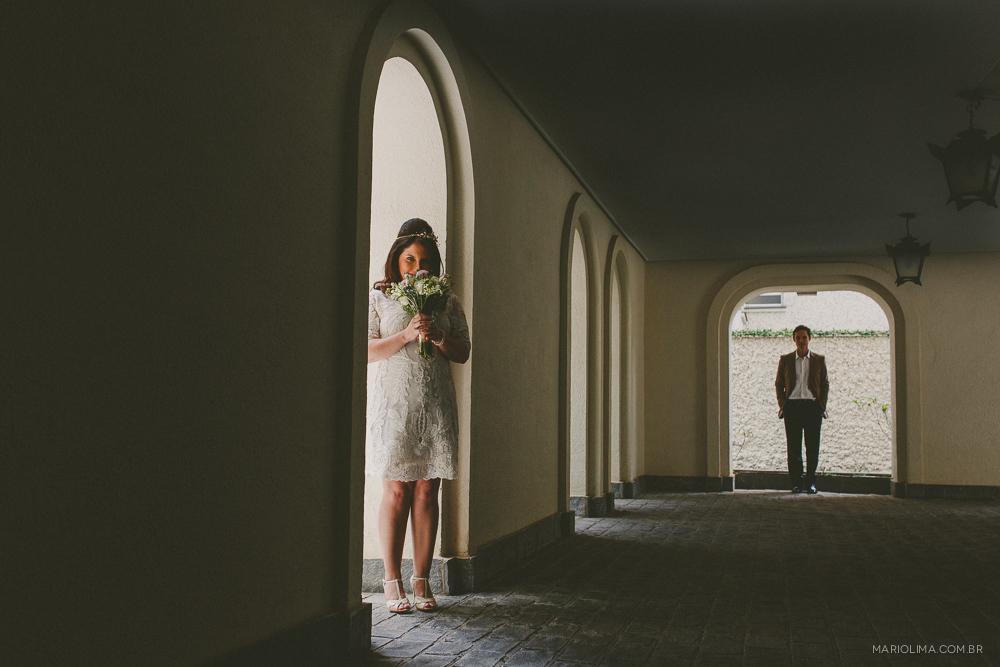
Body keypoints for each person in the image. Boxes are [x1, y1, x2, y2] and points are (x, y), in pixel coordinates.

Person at [366, 218, 470, 613]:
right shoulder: (379, 298)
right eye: (409, 259)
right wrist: (407, 335)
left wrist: (439, 337)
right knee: (396, 491)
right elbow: (367, 350)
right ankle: (391, 581)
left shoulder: (447, 301)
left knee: (428, 490)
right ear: (396, 259)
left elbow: (463, 351)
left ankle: (422, 579)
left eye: (424, 260)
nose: (416, 267)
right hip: (395, 406)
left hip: (436, 403)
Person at [775, 325, 829, 495]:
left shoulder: (819, 360)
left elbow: (825, 384)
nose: (801, 341)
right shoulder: (786, 360)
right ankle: (796, 483)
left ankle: (811, 483)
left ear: (809, 338)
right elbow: (779, 384)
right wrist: (783, 404)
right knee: (794, 448)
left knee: (812, 447)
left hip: (812, 407)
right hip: (793, 407)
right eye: (798, 338)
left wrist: (821, 405)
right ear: (794, 339)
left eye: (804, 337)